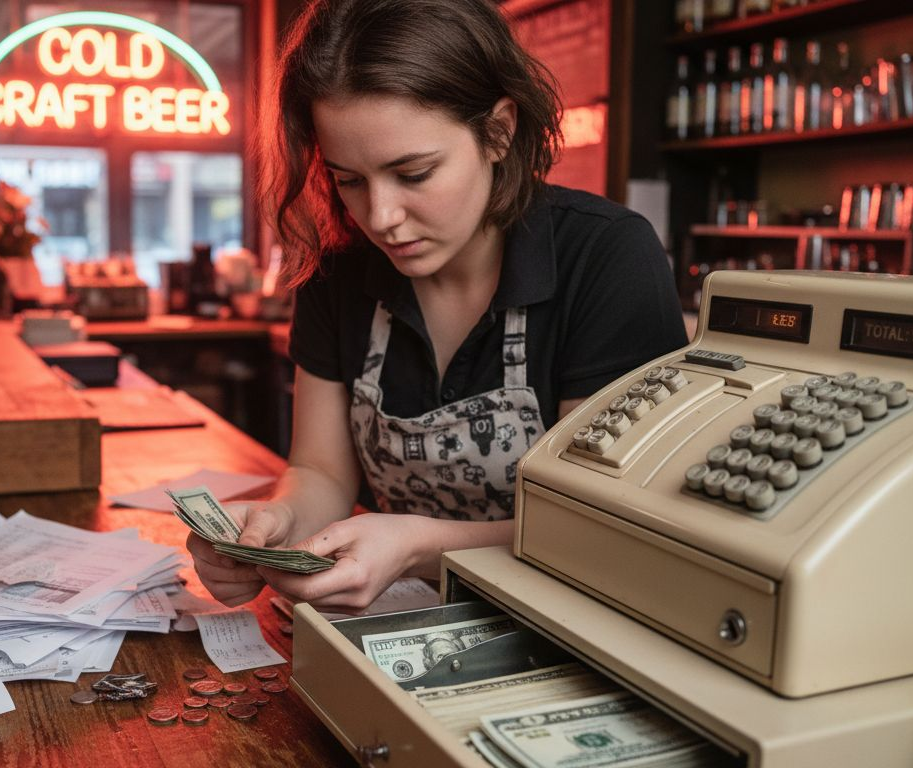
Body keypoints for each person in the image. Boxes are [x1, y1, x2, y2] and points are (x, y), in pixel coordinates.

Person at [189, 0, 687, 613]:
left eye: (414, 174)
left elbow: (601, 525)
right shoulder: (339, 268)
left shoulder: (607, 257)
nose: (380, 218)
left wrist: (417, 546)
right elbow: (320, 473)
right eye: (349, 180)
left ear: (498, 131)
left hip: (573, 624)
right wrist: (277, 523)